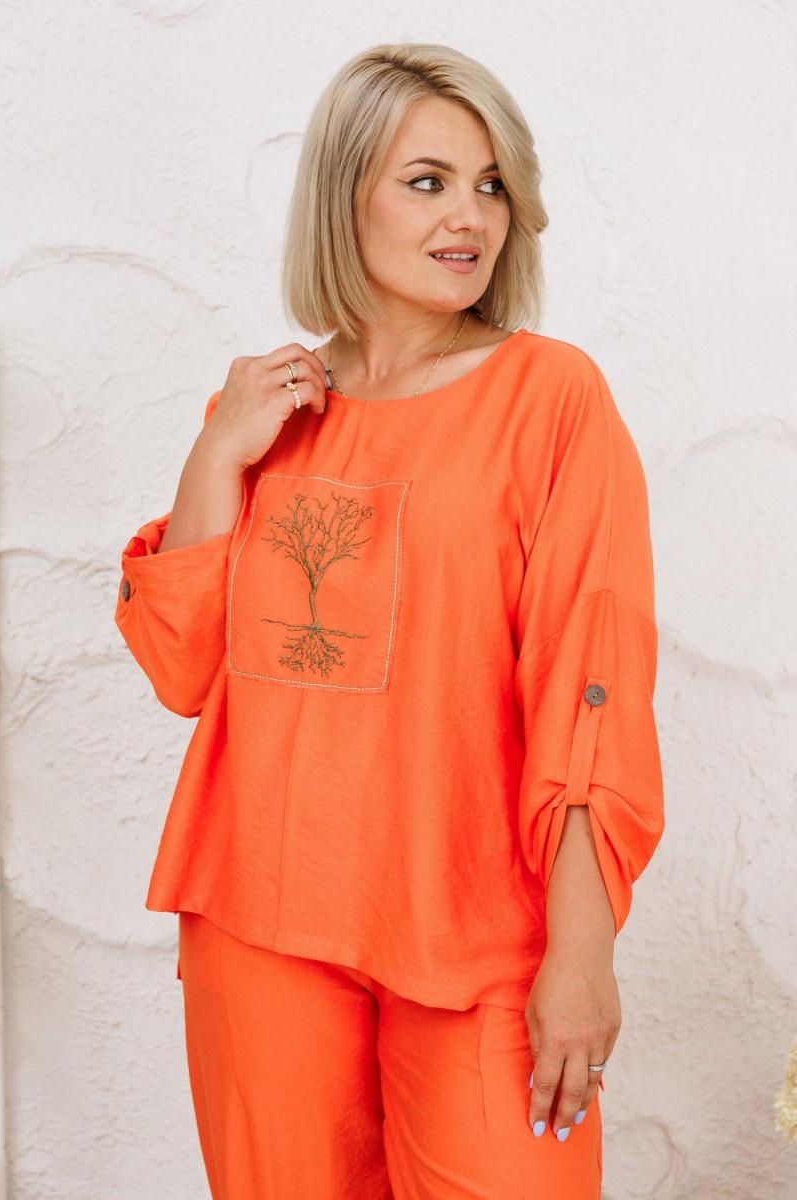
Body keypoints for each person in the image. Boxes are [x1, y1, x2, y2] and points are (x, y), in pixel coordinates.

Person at [114, 41, 665, 1199]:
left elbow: (588, 684)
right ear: (342, 198)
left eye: (490, 184)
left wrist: (581, 954)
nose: (469, 216)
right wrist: (215, 455)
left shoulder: (549, 398)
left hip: (478, 934)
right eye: (426, 181)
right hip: (260, 922)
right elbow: (182, 670)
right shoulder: (266, 410)